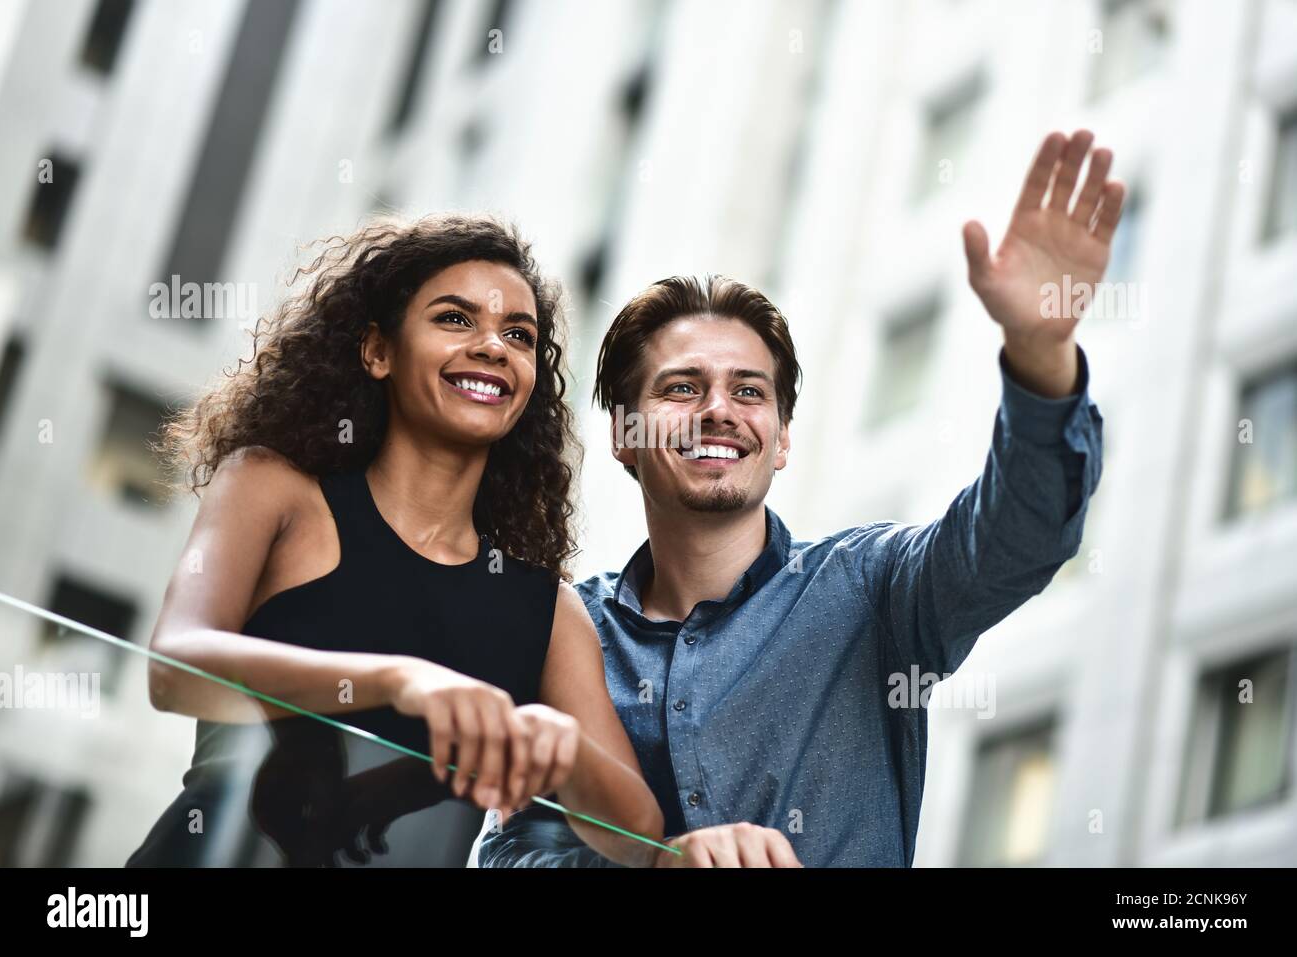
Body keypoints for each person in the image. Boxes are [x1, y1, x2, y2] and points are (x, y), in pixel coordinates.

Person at [478, 129, 1117, 867]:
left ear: (780, 441)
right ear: (624, 433)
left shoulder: (872, 588)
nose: (719, 409)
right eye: (683, 387)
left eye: (749, 392)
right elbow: (510, 855)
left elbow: (1017, 537)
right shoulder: (567, 634)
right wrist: (667, 861)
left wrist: (1040, 359)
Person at [127, 214, 664, 866]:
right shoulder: (274, 488)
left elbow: (638, 833)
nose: (493, 346)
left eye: (519, 335)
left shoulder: (547, 611)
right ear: (378, 350)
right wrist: (399, 680)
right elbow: (175, 667)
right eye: (454, 319)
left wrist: (564, 745)